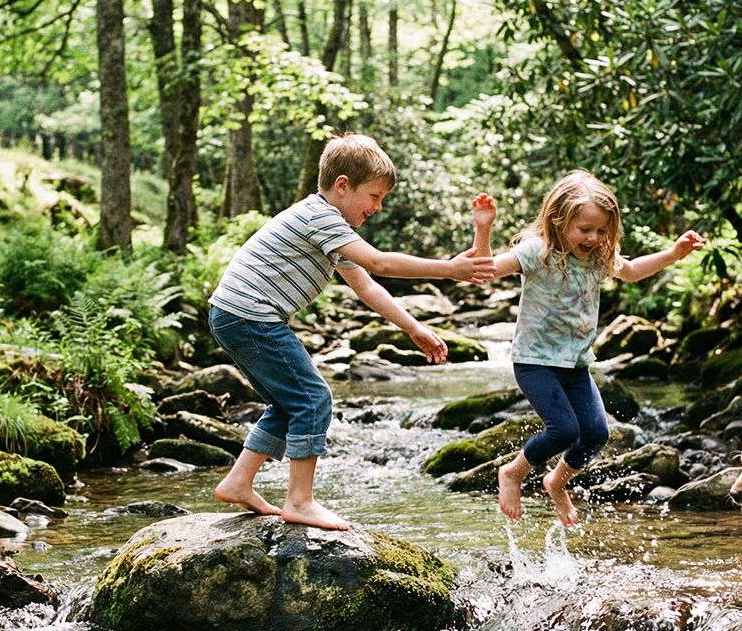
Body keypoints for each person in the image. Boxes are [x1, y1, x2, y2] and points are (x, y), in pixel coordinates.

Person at [209, 132, 497, 531]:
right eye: (375, 196)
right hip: (249, 315)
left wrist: (414, 328)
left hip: (234, 314)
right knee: (312, 398)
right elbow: (381, 264)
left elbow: (367, 286)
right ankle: (300, 501)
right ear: (343, 186)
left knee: (288, 402)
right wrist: (449, 269)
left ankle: (238, 483)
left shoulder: (328, 225)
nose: (378, 207)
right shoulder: (320, 218)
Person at [470, 170, 705, 527]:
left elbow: (632, 271)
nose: (594, 238)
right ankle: (513, 473)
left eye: (601, 231)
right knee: (563, 430)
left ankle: (557, 482)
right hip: (535, 361)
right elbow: (486, 270)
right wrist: (484, 228)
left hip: (576, 365)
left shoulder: (598, 257)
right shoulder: (537, 251)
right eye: (584, 229)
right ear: (558, 221)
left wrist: (673, 254)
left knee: (596, 434)